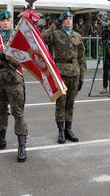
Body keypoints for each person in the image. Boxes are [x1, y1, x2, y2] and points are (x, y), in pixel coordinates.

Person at [0, 10, 28, 163]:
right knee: (1, 111)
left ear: (12, 22)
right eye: (3, 21)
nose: (6, 22)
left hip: (14, 79)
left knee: (17, 112)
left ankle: (22, 146)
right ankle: (0, 140)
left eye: (9, 20)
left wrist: (8, 59)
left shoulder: (17, 38)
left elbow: (23, 58)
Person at [42, 10, 86, 144]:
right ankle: (60, 131)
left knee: (70, 103)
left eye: (70, 18)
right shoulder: (55, 34)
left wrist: (82, 74)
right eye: (65, 18)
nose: (68, 20)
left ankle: (68, 129)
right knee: (60, 103)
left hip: (75, 73)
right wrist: (55, 24)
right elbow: (42, 38)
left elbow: (81, 57)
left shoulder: (77, 36)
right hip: (60, 73)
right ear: (62, 21)